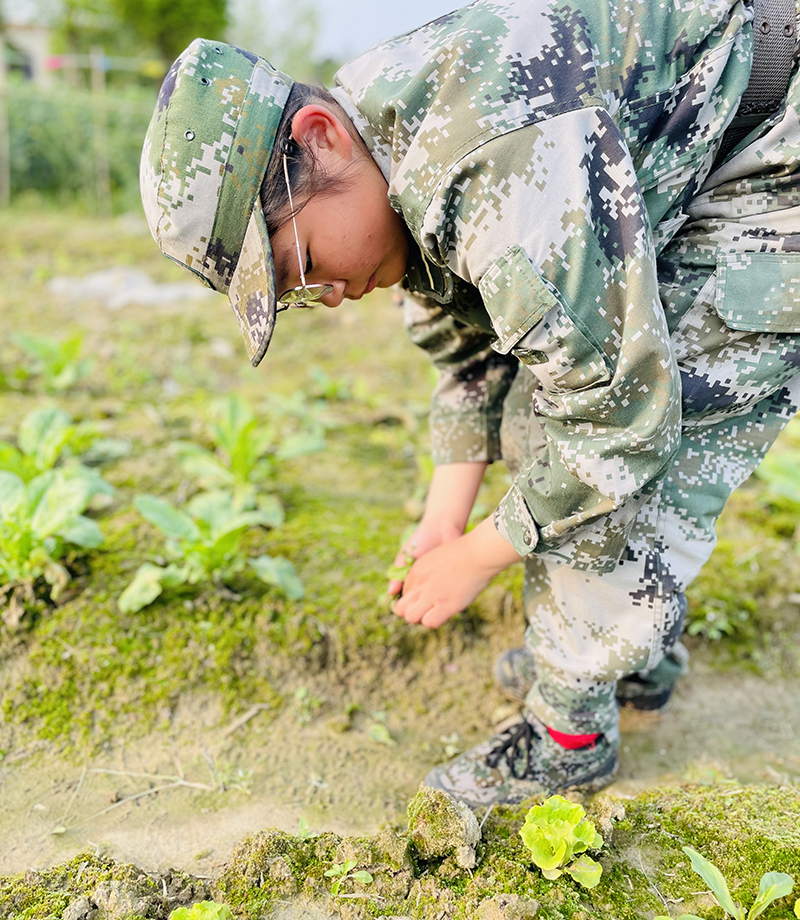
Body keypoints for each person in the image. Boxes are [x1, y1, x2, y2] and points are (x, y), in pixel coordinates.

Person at [140, 0, 800, 808]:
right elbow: (470, 358)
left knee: (628, 443)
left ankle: (569, 734)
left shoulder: (489, 159)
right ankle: (627, 654)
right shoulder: (385, 152)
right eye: (298, 297)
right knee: (541, 418)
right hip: (699, 136)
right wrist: (441, 523)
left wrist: (478, 557)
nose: (329, 295)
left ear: (319, 135)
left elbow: (618, 420)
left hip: (773, 145)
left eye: (299, 267)